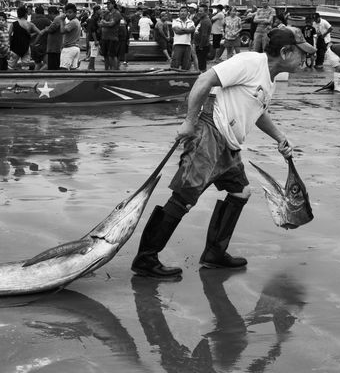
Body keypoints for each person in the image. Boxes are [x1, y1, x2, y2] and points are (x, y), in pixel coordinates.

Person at [131, 26, 316, 279]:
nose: (304, 58)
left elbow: (258, 111)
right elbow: (204, 80)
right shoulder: (249, 62)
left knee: (241, 192)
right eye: (300, 53)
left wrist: (280, 137)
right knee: (184, 197)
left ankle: (214, 254)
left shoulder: (269, 79)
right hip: (209, 133)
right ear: (285, 52)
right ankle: (146, 259)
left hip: (229, 144)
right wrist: (189, 120)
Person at [8, 5, 40, 69]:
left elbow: (8, 36)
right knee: (25, 67)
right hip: (26, 47)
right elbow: (39, 33)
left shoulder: (13, 24)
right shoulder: (30, 24)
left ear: (18, 14)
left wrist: (8, 47)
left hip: (15, 48)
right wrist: (34, 40)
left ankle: (8, 78)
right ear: (25, 14)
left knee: (10, 66)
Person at [35, 6, 65, 71]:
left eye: (49, 14)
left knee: (52, 67)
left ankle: (41, 75)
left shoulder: (57, 19)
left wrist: (46, 29)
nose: (48, 16)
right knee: (52, 65)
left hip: (54, 48)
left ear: (52, 13)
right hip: (56, 47)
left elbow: (52, 28)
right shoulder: (59, 18)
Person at [99, 0, 121, 70]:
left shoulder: (117, 13)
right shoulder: (107, 13)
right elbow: (100, 22)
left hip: (113, 37)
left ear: (113, 4)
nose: (107, 6)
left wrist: (104, 23)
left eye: (109, 4)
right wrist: (105, 23)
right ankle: (106, 70)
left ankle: (115, 71)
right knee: (105, 55)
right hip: (104, 37)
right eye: (107, 4)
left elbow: (112, 24)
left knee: (112, 55)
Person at [170, 6, 195, 70]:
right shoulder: (175, 21)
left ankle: (185, 78)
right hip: (177, 44)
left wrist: (182, 29)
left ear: (187, 13)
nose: (183, 13)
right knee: (175, 63)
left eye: (184, 11)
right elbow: (177, 31)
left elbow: (192, 30)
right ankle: (173, 77)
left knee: (186, 64)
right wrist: (187, 30)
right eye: (181, 11)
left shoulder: (191, 22)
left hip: (187, 45)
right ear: (179, 13)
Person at [59, 3, 81, 70]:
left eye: (70, 12)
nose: (67, 14)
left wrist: (61, 20)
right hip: (75, 48)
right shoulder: (76, 21)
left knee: (63, 70)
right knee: (73, 70)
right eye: (66, 12)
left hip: (69, 49)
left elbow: (62, 31)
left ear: (75, 13)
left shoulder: (73, 22)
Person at [30, 5, 51, 70]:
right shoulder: (47, 21)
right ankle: (38, 74)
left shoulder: (32, 22)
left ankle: (34, 77)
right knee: (48, 64)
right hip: (43, 46)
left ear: (36, 13)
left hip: (33, 46)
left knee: (37, 63)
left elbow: (29, 34)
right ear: (43, 12)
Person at [194, 5, 212, 71]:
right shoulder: (201, 20)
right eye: (198, 11)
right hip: (199, 44)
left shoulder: (205, 21)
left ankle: (202, 75)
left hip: (202, 46)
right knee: (200, 62)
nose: (199, 12)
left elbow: (204, 35)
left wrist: (201, 46)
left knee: (202, 64)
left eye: (201, 11)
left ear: (206, 12)